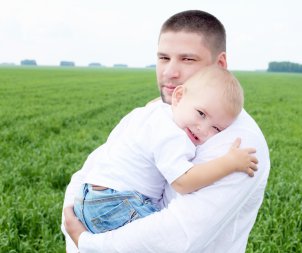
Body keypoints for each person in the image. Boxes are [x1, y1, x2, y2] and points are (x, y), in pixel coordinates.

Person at [63, 10, 270, 253]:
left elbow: (174, 237)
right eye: (163, 57)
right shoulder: (153, 113)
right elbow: (88, 176)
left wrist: (86, 241)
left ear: (220, 65)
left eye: (187, 59)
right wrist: (75, 229)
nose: (169, 72)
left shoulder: (239, 143)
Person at [72, 65, 257, 234]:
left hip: (89, 196)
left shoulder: (157, 112)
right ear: (178, 97)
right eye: (201, 113)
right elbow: (183, 182)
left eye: (216, 129)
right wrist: (229, 163)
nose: (203, 128)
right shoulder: (173, 135)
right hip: (116, 201)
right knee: (165, 237)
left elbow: (155, 104)